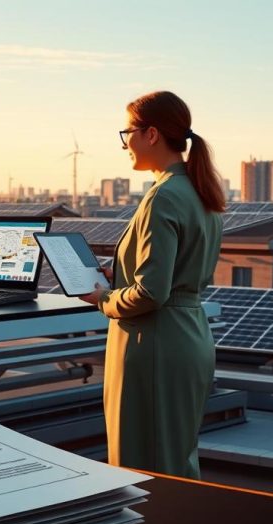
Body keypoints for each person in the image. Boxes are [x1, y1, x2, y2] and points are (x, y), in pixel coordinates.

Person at [80, 91, 224, 479]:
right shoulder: (199, 192)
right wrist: (122, 278)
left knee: (142, 468)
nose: (126, 142)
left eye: (128, 131)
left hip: (153, 344)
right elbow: (173, 277)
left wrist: (104, 298)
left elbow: (151, 293)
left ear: (152, 134)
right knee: (176, 460)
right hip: (189, 337)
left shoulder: (163, 197)